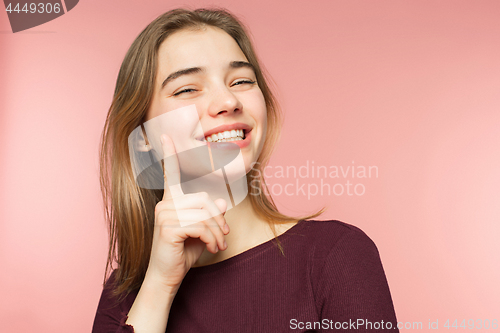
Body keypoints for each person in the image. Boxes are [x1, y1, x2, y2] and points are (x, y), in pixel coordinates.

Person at [92, 7, 399, 333]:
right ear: (142, 138)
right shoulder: (124, 299)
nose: (227, 100)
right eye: (187, 88)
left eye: (241, 81)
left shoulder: (337, 255)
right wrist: (159, 286)